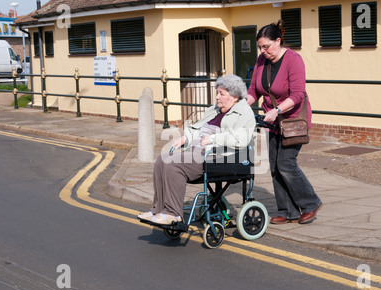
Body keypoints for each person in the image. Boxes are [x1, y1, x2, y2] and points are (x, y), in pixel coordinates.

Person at [138, 74, 256, 225]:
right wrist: (185, 138)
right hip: (197, 150)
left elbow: (241, 138)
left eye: (221, 93)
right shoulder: (214, 110)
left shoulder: (244, 113)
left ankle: (173, 214)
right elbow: (198, 128)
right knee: (162, 159)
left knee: (173, 165)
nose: (217, 97)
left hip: (218, 156)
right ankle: (158, 209)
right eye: (217, 92)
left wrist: (213, 139)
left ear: (234, 96)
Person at [246, 20, 322, 224]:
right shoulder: (262, 61)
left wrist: (277, 110)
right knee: (274, 166)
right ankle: (288, 211)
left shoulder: (294, 60)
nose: (263, 51)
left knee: (286, 164)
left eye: (266, 46)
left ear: (278, 41)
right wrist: (241, 105)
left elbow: (297, 95)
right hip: (272, 121)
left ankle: (311, 203)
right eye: (260, 47)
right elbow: (254, 90)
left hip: (292, 119)